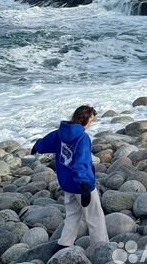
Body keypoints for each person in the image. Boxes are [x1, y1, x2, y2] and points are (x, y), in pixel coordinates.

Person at [31, 104, 109, 248]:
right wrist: (84, 184)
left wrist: (37, 146)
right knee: (95, 217)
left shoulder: (61, 132)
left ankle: (65, 243)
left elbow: (46, 142)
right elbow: (81, 162)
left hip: (67, 183)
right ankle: (101, 246)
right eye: (91, 120)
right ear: (85, 120)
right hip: (81, 185)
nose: (91, 124)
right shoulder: (82, 138)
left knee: (73, 215)